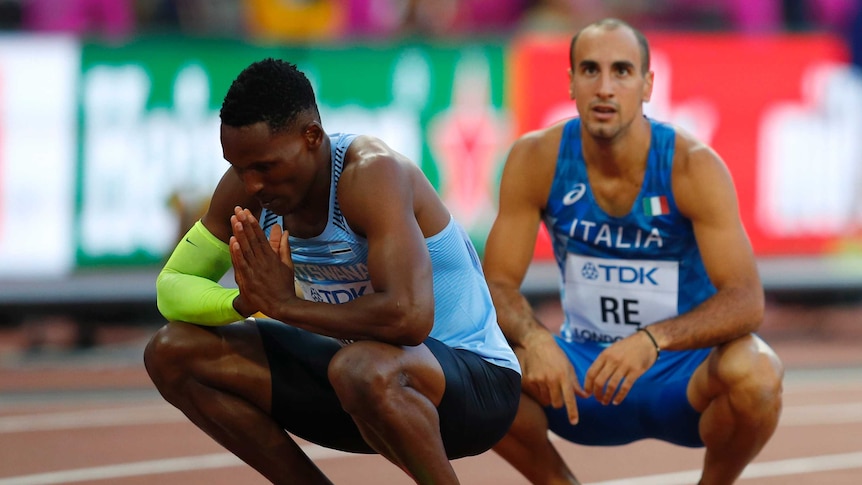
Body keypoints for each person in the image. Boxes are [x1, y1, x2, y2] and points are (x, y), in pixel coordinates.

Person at [144, 58, 521, 485]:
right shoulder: (246, 192)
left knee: (359, 366)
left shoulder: (371, 175)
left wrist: (284, 305)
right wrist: (244, 301)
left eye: (265, 167)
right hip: (357, 385)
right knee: (172, 351)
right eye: (238, 166)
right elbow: (171, 288)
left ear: (311, 137)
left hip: (474, 386)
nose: (251, 186)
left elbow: (409, 318)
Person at [483, 18, 784, 485]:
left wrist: (652, 340)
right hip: (583, 374)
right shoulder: (536, 159)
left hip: (683, 376)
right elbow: (496, 284)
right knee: (475, 366)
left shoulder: (691, 166)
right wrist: (537, 340)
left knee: (758, 372)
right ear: (570, 82)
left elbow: (747, 299)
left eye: (621, 72)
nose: (605, 87)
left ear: (646, 85)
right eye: (590, 70)